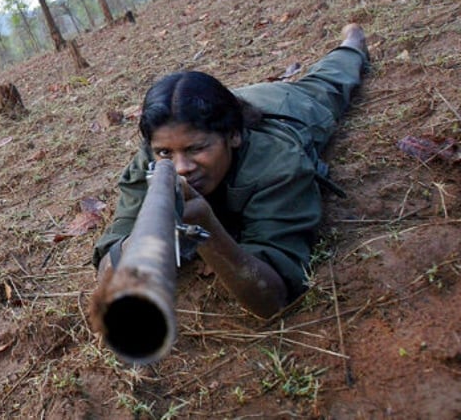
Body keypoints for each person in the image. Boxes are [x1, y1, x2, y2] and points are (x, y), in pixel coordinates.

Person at [93, 24, 369, 318]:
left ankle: (353, 41)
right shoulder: (151, 162)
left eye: (196, 149)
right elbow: (107, 262)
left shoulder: (277, 164)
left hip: (286, 107)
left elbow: (273, 300)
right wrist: (148, 226)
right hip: (212, 106)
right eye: (165, 153)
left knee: (334, 77)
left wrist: (205, 228)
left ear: (233, 136)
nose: (181, 168)